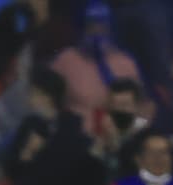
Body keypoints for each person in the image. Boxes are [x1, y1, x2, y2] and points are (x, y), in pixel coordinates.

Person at [49, 0, 141, 136]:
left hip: (119, 139)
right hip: (77, 139)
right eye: (91, 24)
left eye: (102, 23)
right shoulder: (65, 61)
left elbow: (142, 106)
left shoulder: (126, 63)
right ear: (81, 27)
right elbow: (47, 102)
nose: (97, 30)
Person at [91, 77, 148, 181]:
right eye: (114, 105)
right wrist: (101, 142)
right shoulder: (103, 131)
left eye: (124, 105)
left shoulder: (146, 135)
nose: (118, 110)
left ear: (136, 107)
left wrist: (117, 147)